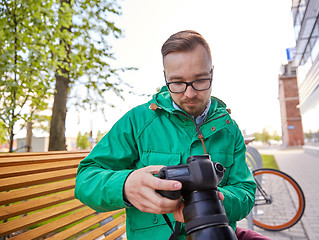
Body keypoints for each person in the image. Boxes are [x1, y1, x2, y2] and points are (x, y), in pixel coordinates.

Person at [75, 30, 257, 240]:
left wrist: (216, 201)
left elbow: (245, 190)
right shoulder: (138, 121)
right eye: (177, 82)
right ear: (165, 77)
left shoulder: (229, 128)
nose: (189, 93)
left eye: (200, 80)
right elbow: (85, 180)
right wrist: (125, 185)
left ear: (212, 73)